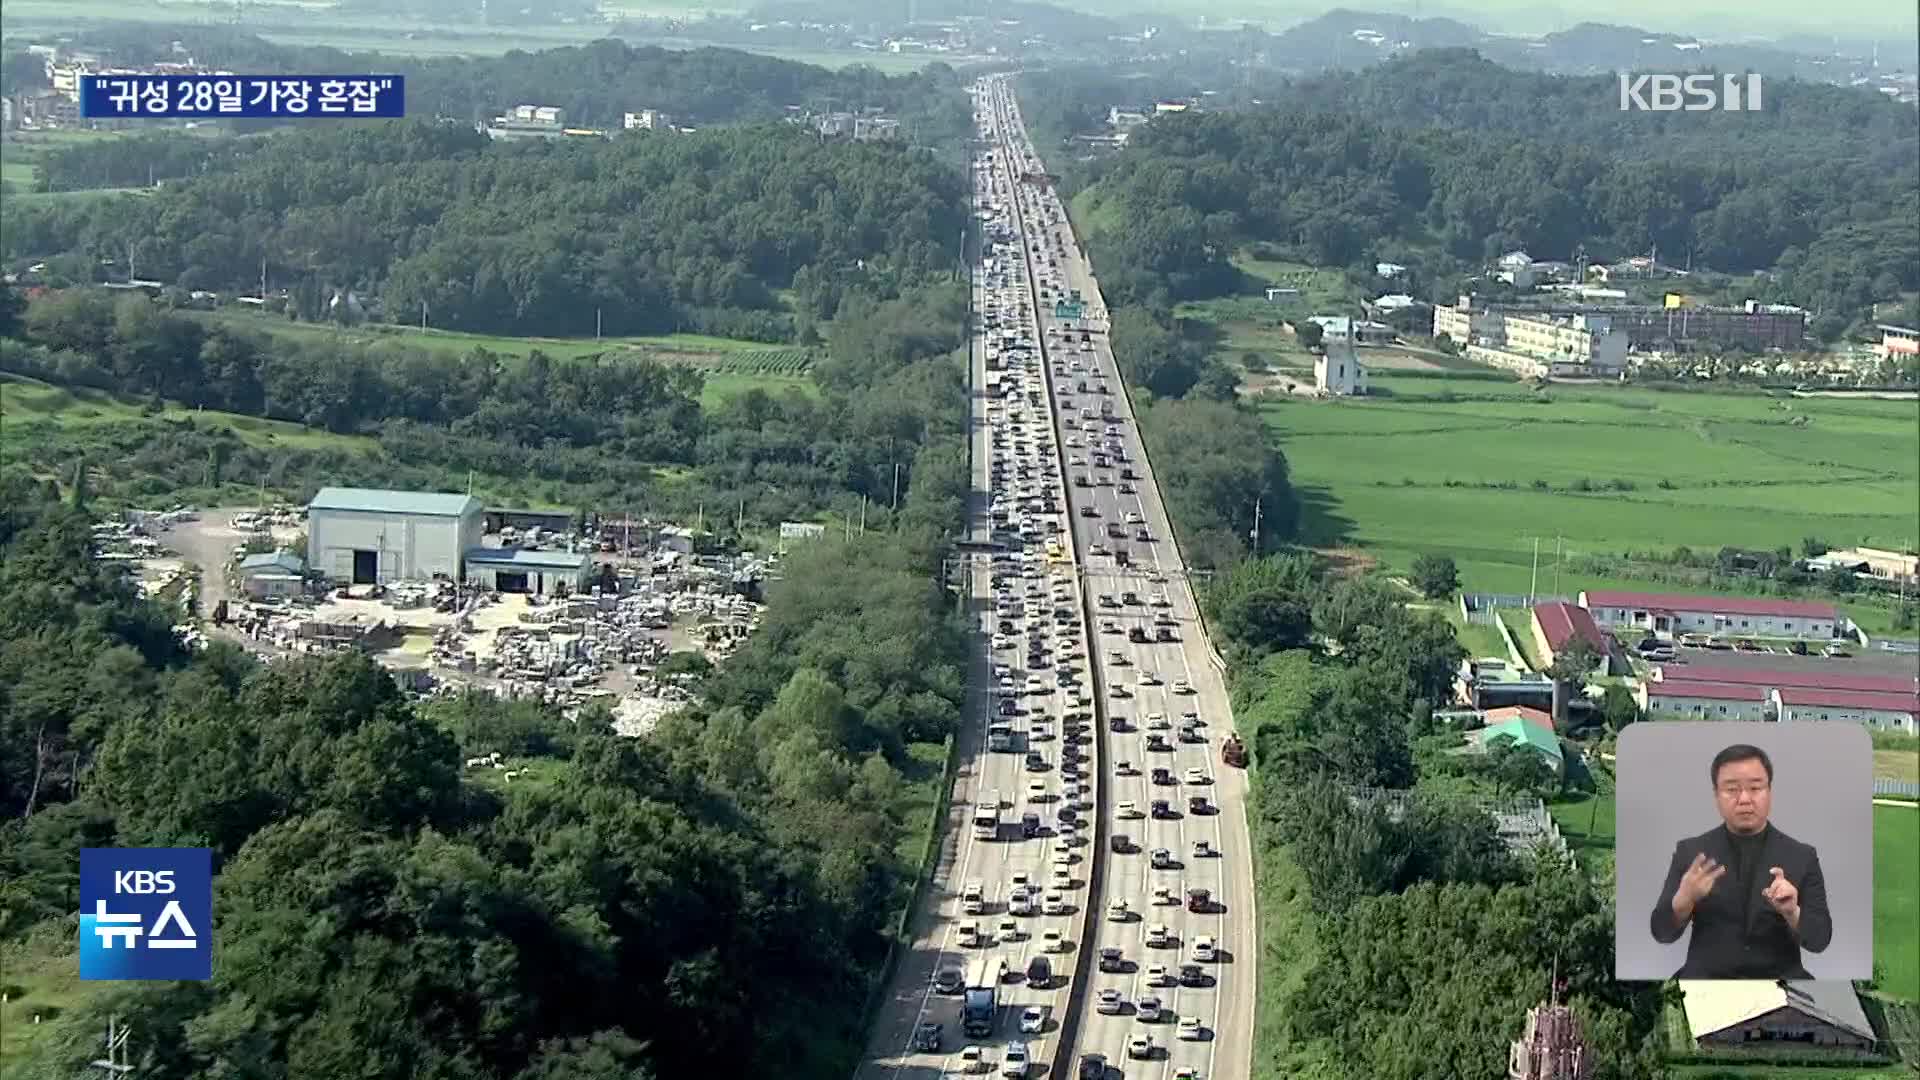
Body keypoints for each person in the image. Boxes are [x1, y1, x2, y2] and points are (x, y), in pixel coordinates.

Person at [1650, 743, 1832, 979]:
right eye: (1732, 789)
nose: (1744, 799)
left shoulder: (1802, 856)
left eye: (1755, 788)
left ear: (1770, 792)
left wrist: (1793, 913)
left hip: (1781, 982)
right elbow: (1661, 932)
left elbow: (1820, 940)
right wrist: (1682, 901)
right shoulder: (1691, 853)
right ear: (1716, 795)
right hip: (1706, 981)